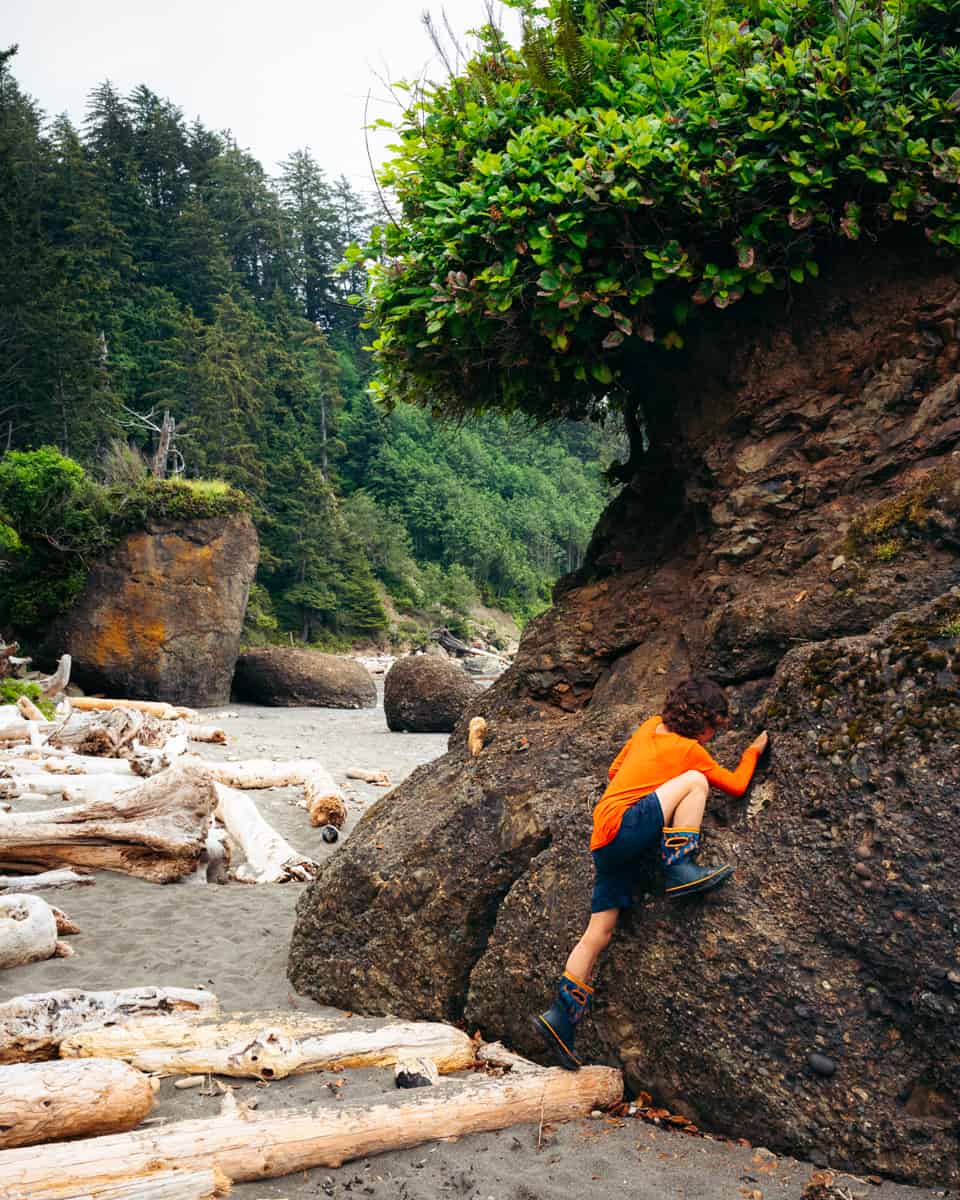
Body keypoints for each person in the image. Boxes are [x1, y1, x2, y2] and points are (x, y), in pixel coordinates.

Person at [532, 676, 768, 1071]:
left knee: (598, 933)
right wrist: (752, 751)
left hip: (604, 839)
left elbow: (614, 772)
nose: (711, 737)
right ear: (703, 722)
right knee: (695, 782)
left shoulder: (646, 727)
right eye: (713, 729)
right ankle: (680, 867)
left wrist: (651, 792)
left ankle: (560, 1016)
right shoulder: (690, 751)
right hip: (624, 827)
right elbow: (736, 786)